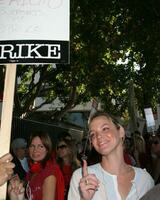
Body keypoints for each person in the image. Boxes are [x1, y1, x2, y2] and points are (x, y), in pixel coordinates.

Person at [68, 112, 154, 200]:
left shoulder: (145, 180)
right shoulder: (81, 177)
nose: (98, 136)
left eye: (105, 129)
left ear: (120, 131)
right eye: (93, 134)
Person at [8, 131, 64, 200]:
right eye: (32, 146)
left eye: (40, 146)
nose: (35, 150)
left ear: (47, 149)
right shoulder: (32, 171)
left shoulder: (49, 173)